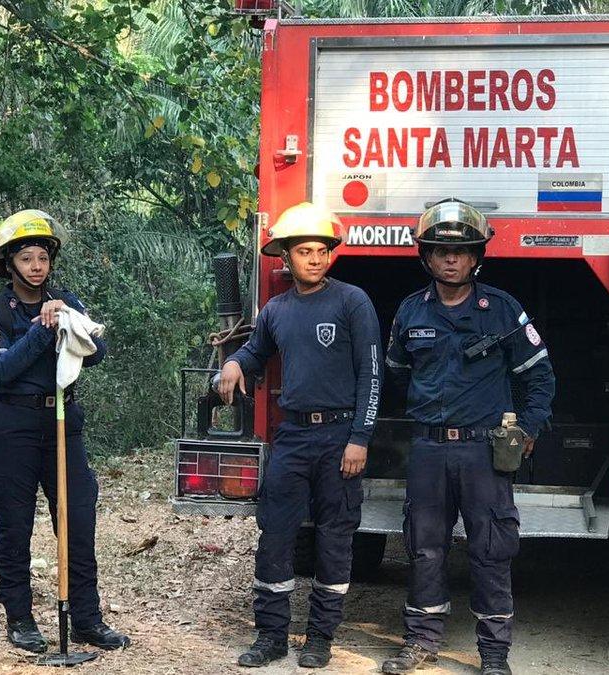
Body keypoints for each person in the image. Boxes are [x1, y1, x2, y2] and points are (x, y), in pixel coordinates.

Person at [380, 199, 555, 675]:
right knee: (423, 545)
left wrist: (529, 427)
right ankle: (420, 642)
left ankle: (494, 656)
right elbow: (397, 372)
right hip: (430, 449)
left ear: (477, 256)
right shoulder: (410, 311)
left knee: (492, 549)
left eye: (461, 252)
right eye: (440, 251)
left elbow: (539, 377)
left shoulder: (501, 310)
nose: (451, 260)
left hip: (484, 450)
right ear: (427, 257)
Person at [216, 201, 381, 669]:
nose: (313, 258)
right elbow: (254, 351)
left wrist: (360, 437)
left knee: (334, 539)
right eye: (303, 251)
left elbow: (371, 374)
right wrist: (232, 363)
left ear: (331, 255)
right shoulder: (276, 310)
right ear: (285, 257)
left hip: (339, 438)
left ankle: (320, 639)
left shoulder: (352, 302)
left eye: (321, 251)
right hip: (292, 438)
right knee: (276, 536)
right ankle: (271, 636)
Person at [0, 210, 129, 653]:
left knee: (78, 521)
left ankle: (86, 620)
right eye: (26, 258)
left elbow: (96, 352)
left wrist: (69, 323)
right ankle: (20, 620)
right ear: (8, 264)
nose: (36, 266)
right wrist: (42, 330)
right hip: (10, 426)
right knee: (14, 526)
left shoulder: (66, 301)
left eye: (42, 257)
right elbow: (1, 366)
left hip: (62, 422)